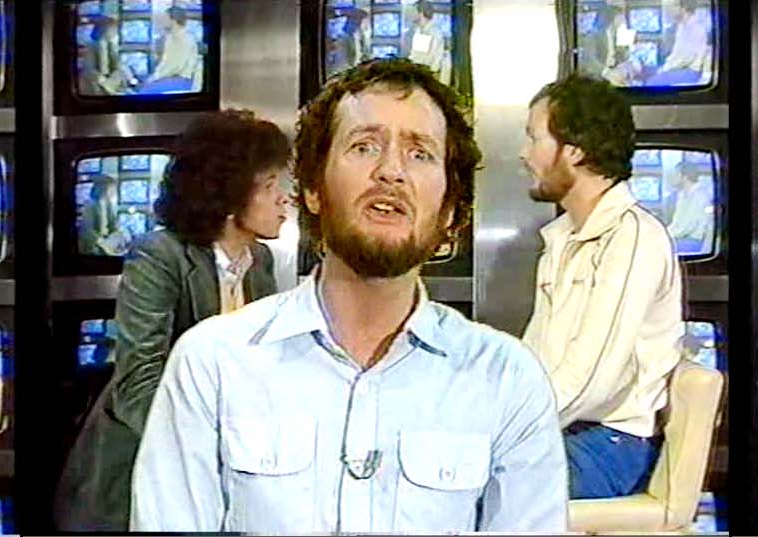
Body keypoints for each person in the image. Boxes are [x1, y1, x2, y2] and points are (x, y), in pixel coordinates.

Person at [130, 58, 567, 532]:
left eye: (420, 153)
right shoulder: (212, 364)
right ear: (313, 190)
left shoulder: (507, 381)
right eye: (364, 146)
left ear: (449, 210)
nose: (391, 171)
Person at [55, 109, 294, 531]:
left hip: (229, 470)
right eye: (271, 185)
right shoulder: (159, 255)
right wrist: (212, 448)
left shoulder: (260, 261)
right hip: (143, 464)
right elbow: (138, 382)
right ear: (229, 192)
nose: (284, 199)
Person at [515, 76, 685, 500]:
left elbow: (593, 381)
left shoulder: (632, 238)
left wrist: (506, 432)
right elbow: (536, 361)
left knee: (461, 490)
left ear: (574, 150)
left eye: (535, 138)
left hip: (608, 445)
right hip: (562, 431)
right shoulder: (562, 238)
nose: (524, 154)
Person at [653, 0, 713, 87]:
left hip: (690, 71)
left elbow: (687, 58)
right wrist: (665, 67)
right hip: (678, 69)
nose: (667, 10)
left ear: (683, 8)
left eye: (671, 7)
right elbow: (676, 54)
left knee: (652, 84)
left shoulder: (696, 28)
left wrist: (666, 68)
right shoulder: (681, 26)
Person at [146, 7, 203, 94]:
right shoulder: (170, 37)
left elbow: (174, 67)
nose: (162, 21)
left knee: (145, 93)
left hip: (181, 81)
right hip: (169, 78)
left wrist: (155, 77)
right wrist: (155, 76)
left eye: (165, 18)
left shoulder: (184, 39)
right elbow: (165, 63)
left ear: (173, 20)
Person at [406, 1, 451, 84]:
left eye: (413, 11)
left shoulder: (434, 32)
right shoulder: (419, 31)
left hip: (431, 77)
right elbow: (416, 55)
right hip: (420, 74)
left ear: (421, 13)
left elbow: (432, 60)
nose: (411, 14)